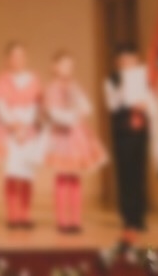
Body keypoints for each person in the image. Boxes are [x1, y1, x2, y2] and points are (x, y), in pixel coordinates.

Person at [42, 51, 107, 234]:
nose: (67, 69)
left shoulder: (74, 86)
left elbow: (87, 106)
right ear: (54, 67)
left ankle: (76, 219)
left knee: (76, 177)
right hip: (62, 135)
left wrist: (79, 110)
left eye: (70, 65)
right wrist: (72, 116)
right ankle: (62, 219)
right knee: (62, 176)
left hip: (77, 136)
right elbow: (53, 112)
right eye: (63, 65)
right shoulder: (52, 88)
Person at [0, 42, 45, 230]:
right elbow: (0, 106)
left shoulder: (34, 79)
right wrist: (14, 126)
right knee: (13, 174)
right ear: (8, 59)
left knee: (27, 175)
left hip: (29, 132)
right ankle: (13, 215)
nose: (17, 60)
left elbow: (37, 106)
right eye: (14, 56)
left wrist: (27, 126)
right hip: (10, 132)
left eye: (21, 56)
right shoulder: (2, 80)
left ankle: (25, 214)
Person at [103, 45, 155, 232]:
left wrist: (146, 105)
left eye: (130, 59)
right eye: (123, 60)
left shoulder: (144, 78)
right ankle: (127, 216)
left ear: (137, 59)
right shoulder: (112, 80)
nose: (127, 63)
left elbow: (153, 102)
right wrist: (124, 87)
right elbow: (112, 105)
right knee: (125, 173)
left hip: (140, 129)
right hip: (123, 131)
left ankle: (139, 216)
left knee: (139, 173)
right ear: (117, 62)